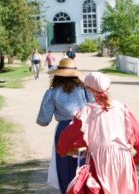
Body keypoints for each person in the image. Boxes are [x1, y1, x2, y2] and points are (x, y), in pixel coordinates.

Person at [57, 72, 139, 194]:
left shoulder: (86, 111)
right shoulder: (122, 108)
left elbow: (67, 137)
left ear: (89, 89)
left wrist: (63, 150)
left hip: (99, 160)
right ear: (108, 87)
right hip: (123, 159)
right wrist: (137, 160)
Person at [36, 58, 94, 194]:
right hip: (83, 129)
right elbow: (94, 107)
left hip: (64, 130)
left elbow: (44, 120)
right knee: (84, 165)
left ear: (57, 74)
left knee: (65, 168)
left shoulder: (51, 92)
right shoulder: (84, 89)